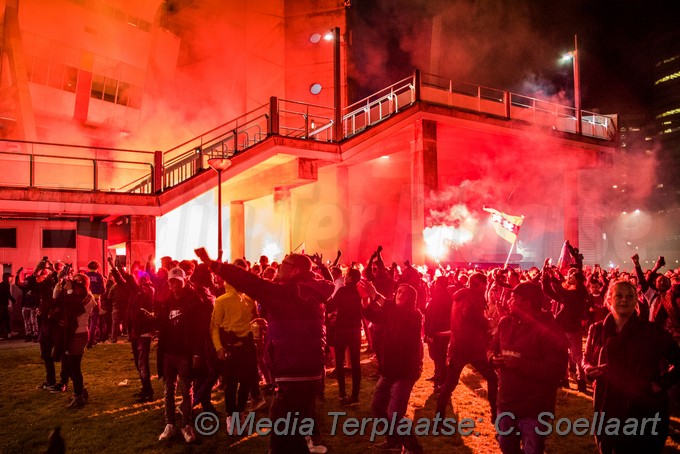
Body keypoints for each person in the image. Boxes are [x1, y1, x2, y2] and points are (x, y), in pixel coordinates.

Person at [196, 248, 334, 453]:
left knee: (281, 429)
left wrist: (213, 264)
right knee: (293, 431)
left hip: (294, 369)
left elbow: (251, 283)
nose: (278, 267)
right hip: (308, 370)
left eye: (284, 264)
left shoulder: (290, 292)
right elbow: (296, 323)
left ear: (296, 270)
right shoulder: (309, 289)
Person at [583, 280, 680, 454]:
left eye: (629, 296)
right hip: (607, 405)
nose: (624, 300)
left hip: (644, 407)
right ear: (609, 300)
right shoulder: (597, 330)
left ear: (637, 301)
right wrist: (588, 369)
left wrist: (662, 384)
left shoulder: (652, 332)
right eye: (619, 295)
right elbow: (587, 359)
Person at [490, 282, 569, 454]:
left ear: (527, 303)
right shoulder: (505, 323)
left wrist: (518, 363)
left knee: (532, 450)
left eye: (514, 299)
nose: (509, 301)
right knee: (506, 446)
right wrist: (494, 359)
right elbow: (494, 349)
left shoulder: (550, 330)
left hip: (534, 407)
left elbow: (554, 371)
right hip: (507, 402)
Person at [359, 280, 423, 453]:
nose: (400, 295)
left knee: (395, 415)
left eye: (405, 293)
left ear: (412, 299)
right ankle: (394, 442)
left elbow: (393, 311)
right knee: (378, 407)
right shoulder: (392, 313)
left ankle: (414, 449)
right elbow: (373, 316)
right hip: (389, 371)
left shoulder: (414, 315)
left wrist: (375, 295)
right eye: (399, 292)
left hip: (405, 372)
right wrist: (365, 300)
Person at [436, 272, 498, 420]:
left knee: (450, 384)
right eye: (485, 284)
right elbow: (468, 313)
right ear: (481, 284)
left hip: (459, 346)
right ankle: (495, 415)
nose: (486, 287)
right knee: (492, 378)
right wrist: (486, 323)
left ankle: (439, 418)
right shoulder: (473, 296)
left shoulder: (461, 295)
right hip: (472, 347)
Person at [156, 267, 200, 443]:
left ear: (184, 281)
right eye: (172, 281)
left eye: (177, 282)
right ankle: (170, 424)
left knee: (185, 390)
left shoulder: (193, 300)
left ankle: (186, 425)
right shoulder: (166, 301)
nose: (174, 285)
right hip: (168, 352)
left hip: (184, 352)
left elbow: (197, 330)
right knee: (168, 389)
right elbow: (162, 324)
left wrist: (196, 352)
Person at [108, 256, 156, 402]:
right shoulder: (135, 292)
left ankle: (148, 392)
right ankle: (145, 389)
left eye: (139, 278)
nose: (137, 280)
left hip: (144, 332)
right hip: (135, 332)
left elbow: (128, 281)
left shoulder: (148, 290)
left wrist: (122, 270)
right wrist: (113, 266)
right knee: (138, 363)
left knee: (142, 363)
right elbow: (122, 283)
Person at [57, 272, 97, 408]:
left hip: (79, 334)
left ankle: (79, 395)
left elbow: (75, 310)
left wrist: (69, 291)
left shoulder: (87, 298)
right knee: (68, 366)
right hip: (72, 333)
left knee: (74, 366)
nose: (75, 284)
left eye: (78, 282)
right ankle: (81, 391)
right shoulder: (77, 296)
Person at [326, 267, 363, 406]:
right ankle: (355, 395)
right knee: (356, 362)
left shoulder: (342, 291)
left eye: (347, 275)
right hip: (355, 329)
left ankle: (342, 393)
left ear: (351, 278)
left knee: (340, 362)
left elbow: (330, 307)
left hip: (341, 329)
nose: (345, 277)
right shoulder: (359, 292)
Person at [423, 275, 452, 392]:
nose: (434, 285)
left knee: (440, 357)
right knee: (438, 357)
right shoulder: (443, 296)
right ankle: (438, 376)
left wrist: (430, 333)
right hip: (440, 332)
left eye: (436, 283)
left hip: (439, 333)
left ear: (439, 284)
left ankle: (441, 382)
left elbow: (435, 317)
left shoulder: (441, 297)